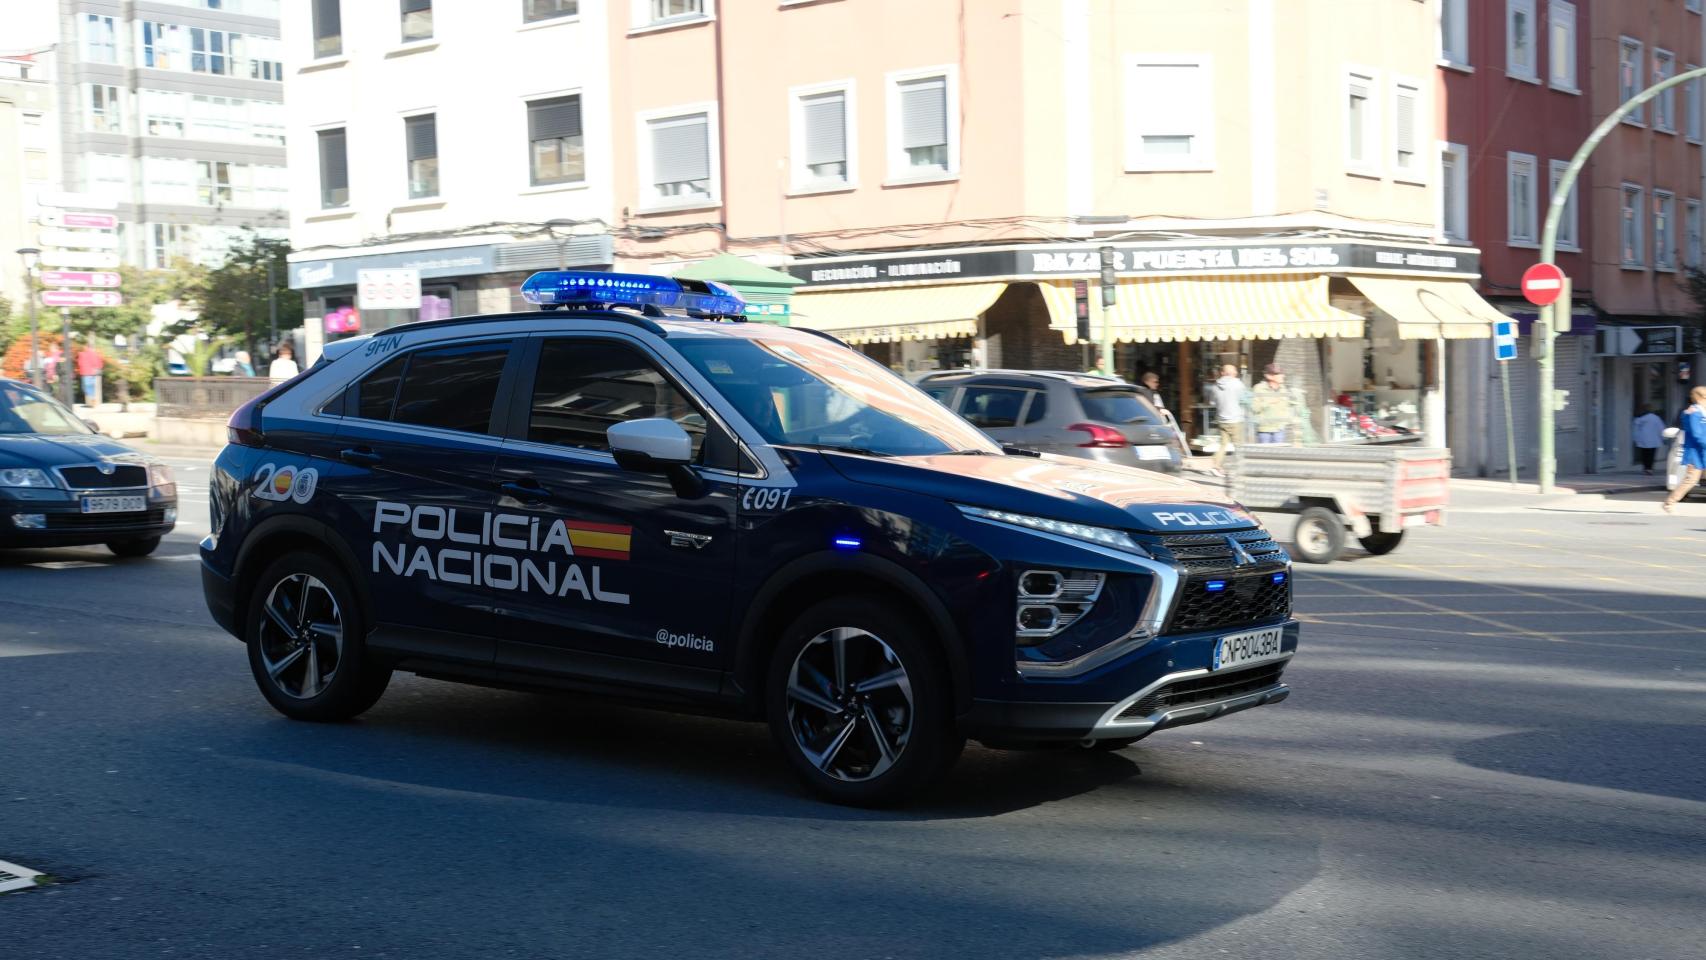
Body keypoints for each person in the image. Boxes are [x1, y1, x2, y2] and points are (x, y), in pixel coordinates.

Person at [1662, 386, 1706, 513]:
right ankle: (1669, 503)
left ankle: (1669, 503)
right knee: (1691, 480)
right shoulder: (1694, 413)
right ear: (1702, 397)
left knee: (1691, 480)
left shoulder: (1701, 411)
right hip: (1696, 453)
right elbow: (1697, 434)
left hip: (1702, 452)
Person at [1209, 364, 1246, 475]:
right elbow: (1244, 400)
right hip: (1235, 420)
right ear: (1233, 373)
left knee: (1223, 444)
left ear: (1223, 373)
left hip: (1222, 420)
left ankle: (1216, 466)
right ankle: (1240, 469)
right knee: (1238, 446)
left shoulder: (1215, 386)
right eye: (1235, 372)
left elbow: (1212, 402)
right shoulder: (1238, 384)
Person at [1249, 364, 1291, 443]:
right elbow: (1254, 408)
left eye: (1282, 373)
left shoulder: (1283, 389)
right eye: (1278, 374)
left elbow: (1286, 406)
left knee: (1279, 454)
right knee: (1264, 454)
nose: (1282, 376)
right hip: (1265, 430)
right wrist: (1269, 402)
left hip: (1279, 429)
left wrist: (1285, 422)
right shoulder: (1259, 388)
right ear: (1269, 376)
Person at [1632, 407, 1665, 475]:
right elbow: (1661, 428)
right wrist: (1663, 437)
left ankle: (1646, 468)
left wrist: (1635, 438)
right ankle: (1650, 468)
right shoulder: (1656, 418)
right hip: (1654, 440)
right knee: (1651, 455)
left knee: (1644, 454)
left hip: (1643, 439)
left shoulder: (1639, 419)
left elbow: (1635, 429)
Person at [76, 340, 104, 407]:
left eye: (85, 346)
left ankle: (93, 399)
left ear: (87, 347)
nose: (84, 347)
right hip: (91, 373)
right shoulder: (94, 354)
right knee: (90, 386)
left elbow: (80, 363)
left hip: (86, 373)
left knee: (86, 387)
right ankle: (93, 399)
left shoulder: (84, 354)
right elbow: (99, 363)